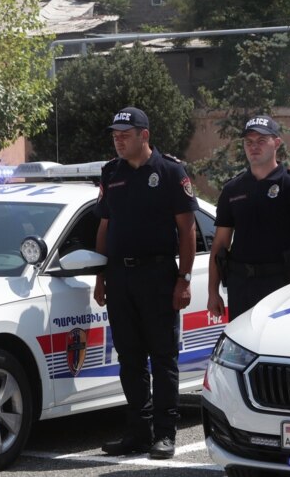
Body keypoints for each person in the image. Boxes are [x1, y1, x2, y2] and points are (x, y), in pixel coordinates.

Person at [93, 107, 197, 460]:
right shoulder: (112, 173)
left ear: (144, 135)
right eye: (115, 135)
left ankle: (165, 434)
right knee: (130, 358)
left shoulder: (169, 171)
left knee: (163, 357)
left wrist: (183, 279)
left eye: (126, 134)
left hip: (158, 275)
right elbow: (105, 226)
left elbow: (187, 229)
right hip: (120, 277)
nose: (119, 140)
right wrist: (100, 275)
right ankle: (138, 432)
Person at [207, 115, 290, 321]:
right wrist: (213, 292)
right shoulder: (233, 189)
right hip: (241, 284)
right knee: (241, 343)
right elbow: (220, 243)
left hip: (280, 283)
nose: (253, 147)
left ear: (276, 143)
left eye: (261, 141)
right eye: (248, 142)